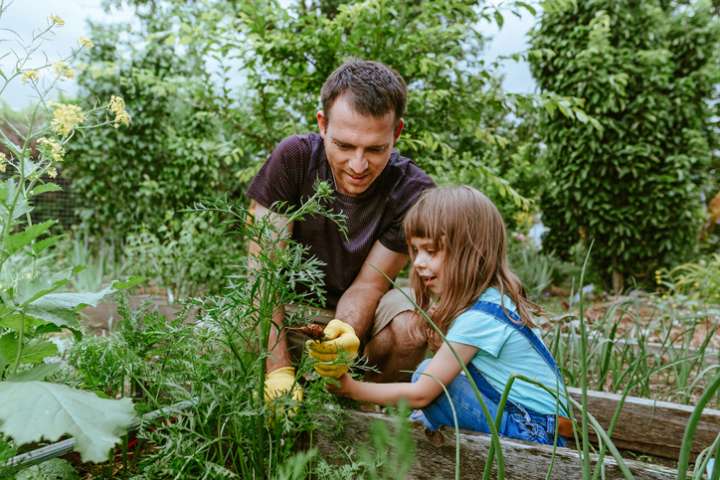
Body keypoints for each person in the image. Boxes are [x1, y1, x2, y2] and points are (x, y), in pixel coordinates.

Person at [246, 60, 435, 407]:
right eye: (345, 146)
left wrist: (342, 334)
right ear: (322, 124)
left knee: (412, 324)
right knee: (219, 332)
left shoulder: (413, 191)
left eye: (376, 149)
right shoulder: (293, 159)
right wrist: (278, 371)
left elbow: (369, 285)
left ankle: (358, 413)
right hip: (287, 311)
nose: (358, 166)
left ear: (396, 134)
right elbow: (264, 275)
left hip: (359, 318)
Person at [328, 186, 572, 445]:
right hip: (539, 425)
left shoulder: (479, 319)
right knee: (433, 379)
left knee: (427, 378)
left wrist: (351, 388)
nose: (419, 262)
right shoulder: (493, 300)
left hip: (534, 432)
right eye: (416, 250)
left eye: (431, 251)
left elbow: (423, 394)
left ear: (471, 253)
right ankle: (423, 422)